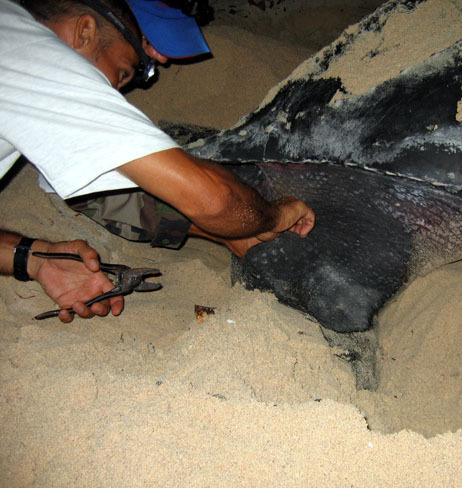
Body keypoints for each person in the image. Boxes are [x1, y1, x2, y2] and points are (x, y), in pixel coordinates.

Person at [0, 0, 315, 322]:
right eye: (133, 68)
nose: (156, 66)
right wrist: (274, 215)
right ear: (84, 31)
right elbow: (214, 201)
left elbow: (102, 191)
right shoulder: (36, 59)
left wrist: (32, 258)